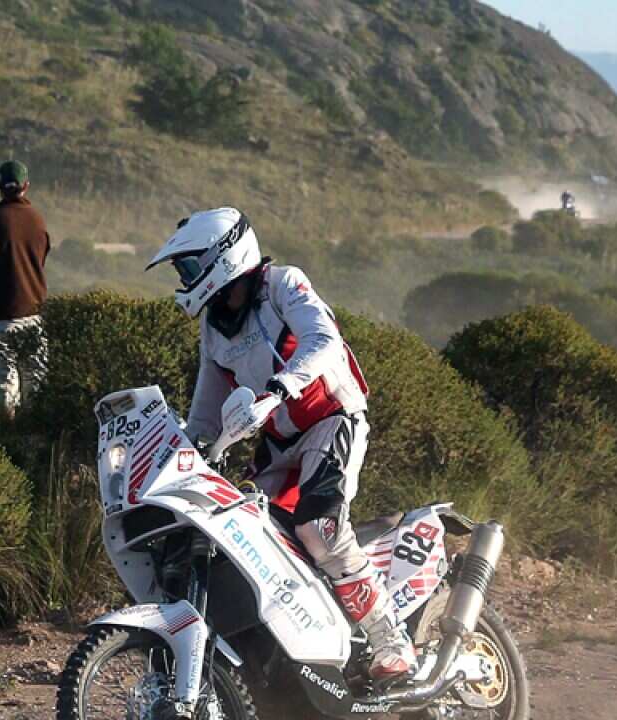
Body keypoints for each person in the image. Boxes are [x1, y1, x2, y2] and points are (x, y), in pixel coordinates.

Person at [148, 207, 416, 681]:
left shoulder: (283, 285)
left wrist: (277, 389)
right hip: (278, 440)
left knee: (319, 530)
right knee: (245, 536)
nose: (186, 279)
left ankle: (390, 638)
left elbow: (323, 340)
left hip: (331, 418)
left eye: (190, 268)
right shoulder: (213, 325)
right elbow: (207, 407)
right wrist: (182, 448)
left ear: (223, 258)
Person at [0, 160, 51, 418]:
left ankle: (7, 444)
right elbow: (41, 259)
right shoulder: (38, 221)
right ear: (26, 186)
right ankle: (38, 441)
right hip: (34, 313)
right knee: (36, 385)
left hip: (0, 316)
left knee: (4, 390)